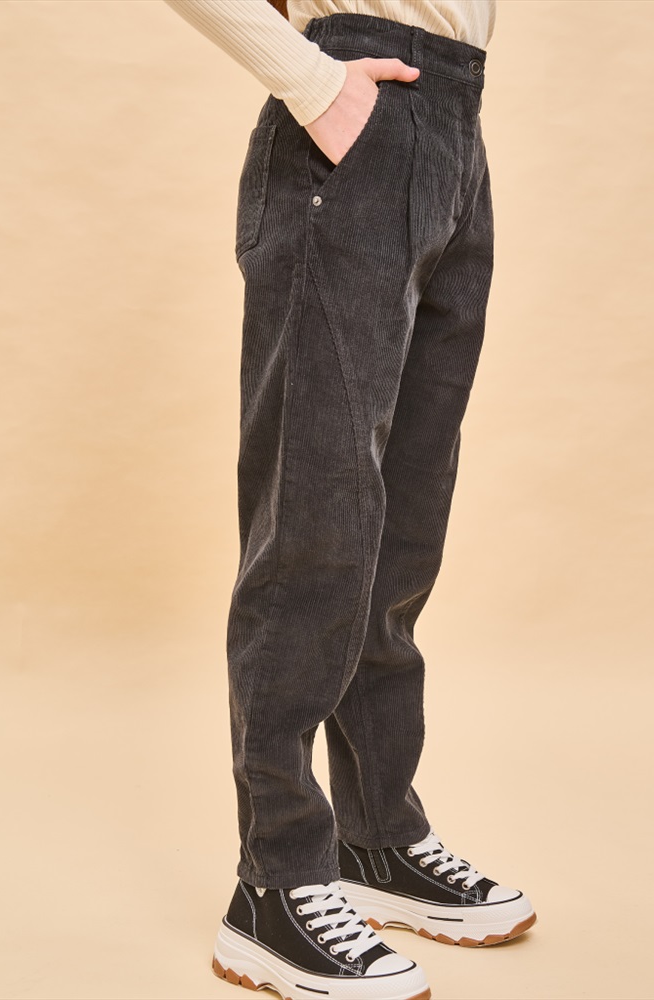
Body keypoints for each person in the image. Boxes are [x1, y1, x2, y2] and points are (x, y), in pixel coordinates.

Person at [161, 2, 536, 997]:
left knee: (402, 527)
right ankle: (276, 881)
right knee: (315, 523)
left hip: (453, 124)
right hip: (353, 113)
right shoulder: (334, 97)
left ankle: (376, 836)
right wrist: (313, 83)